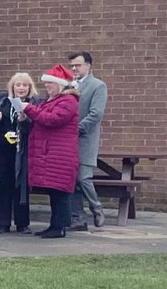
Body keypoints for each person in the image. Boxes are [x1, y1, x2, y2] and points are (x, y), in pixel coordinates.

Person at [24, 65, 80, 238]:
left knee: (60, 192)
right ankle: (54, 225)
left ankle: (59, 227)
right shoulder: (54, 100)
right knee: (54, 191)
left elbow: (51, 119)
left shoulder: (68, 101)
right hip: (52, 153)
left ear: (60, 84)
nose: (46, 86)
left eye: (50, 83)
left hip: (59, 154)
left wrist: (28, 109)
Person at [0, 73, 37, 234]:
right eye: (18, 85)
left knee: (21, 187)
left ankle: (22, 223)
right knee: (3, 186)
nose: (21, 88)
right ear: (12, 87)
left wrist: (24, 121)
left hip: (23, 151)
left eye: (25, 85)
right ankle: (2, 223)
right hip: (3, 150)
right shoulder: (3, 102)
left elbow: (36, 128)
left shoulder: (33, 104)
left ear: (29, 88)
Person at [68, 51, 107, 230]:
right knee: (71, 181)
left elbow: (96, 114)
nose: (74, 68)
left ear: (88, 65)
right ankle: (78, 219)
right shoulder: (68, 86)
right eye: (72, 65)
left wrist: (76, 129)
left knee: (83, 178)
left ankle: (96, 209)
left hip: (85, 140)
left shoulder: (98, 86)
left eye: (78, 65)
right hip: (67, 143)